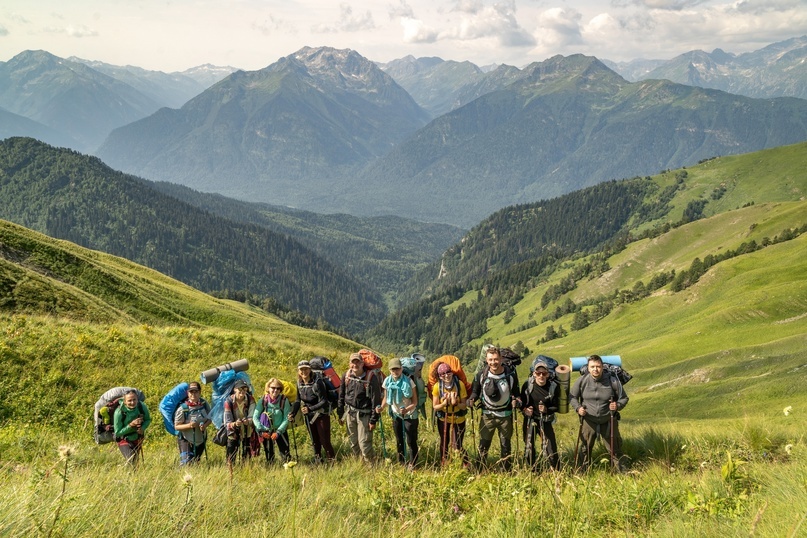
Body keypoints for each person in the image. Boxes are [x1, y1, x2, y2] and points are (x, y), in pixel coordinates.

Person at [569, 354, 629, 472]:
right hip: (588, 420)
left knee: (615, 449)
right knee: (585, 449)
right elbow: (572, 397)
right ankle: (582, 473)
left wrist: (617, 405)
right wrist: (578, 408)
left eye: (598, 366)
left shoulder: (612, 381)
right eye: (592, 367)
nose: (595, 369)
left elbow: (624, 398)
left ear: (602, 367)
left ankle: (623, 474)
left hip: (608, 420)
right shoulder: (582, 381)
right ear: (588, 368)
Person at [468, 346, 521, 471]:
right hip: (487, 415)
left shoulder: (510, 374)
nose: (493, 362)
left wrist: (517, 401)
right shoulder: (481, 374)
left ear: (501, 359)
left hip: (506, 415)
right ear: (486, 360)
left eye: (496, 359)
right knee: (483, 445)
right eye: (490, 360)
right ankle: (479, 469)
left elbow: (517, 393)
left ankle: (506, 471)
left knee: (505, 445)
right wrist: (471, 400)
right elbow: (475, 392)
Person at [337, 352, 382, 462]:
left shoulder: (371, 378)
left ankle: (371, 467)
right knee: (353, 442)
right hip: (349, 413)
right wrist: (340, 414)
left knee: (364, 444)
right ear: (349, 364)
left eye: (358, 362)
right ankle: (359, 465)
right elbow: (341, 396)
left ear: (362, 363)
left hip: (364, 415)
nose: (355, 365)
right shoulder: (346, 376)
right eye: (353, 362)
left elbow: (375, 400)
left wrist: (373, 420)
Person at [291, 360, 336, 463]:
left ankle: (332, 461)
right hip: (309, 416)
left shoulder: (318, 382)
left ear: (310, 369)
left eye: (306, 369)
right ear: (298, 371)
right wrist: (292, 413)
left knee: (325, 441)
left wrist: (310, 409)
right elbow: (298, 400)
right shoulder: (299, 383)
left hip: (321, 415)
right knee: (314, 441)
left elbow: (324, 401)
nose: (304, 372)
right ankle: (318, 460)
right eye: (301, 370)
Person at [520, 358, 560, 471]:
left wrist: (547, 409)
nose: (541, 376)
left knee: (551, 448)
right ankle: (533, 471)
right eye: (538, 373)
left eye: (544, 373)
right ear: (534, 374)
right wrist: (525, 410)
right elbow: (521, 402)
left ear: (548, 374)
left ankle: (556, 471)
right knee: (529, 447)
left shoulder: (553, 387)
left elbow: (557, 406)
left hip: (546, 420)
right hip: (530, 420)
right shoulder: (527, 385)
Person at [382, 358, 419, 468]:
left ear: (401, 368)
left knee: (411, 441)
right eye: (393, 369)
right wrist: (381, 408)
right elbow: (385, 398)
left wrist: (407, 409)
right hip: (396, 414)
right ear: (389, 370)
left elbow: (415, 401)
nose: (395, 372)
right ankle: (402, 463)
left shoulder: (409, 382)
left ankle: (413, 464)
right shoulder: (387, 382)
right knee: (399, 440)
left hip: (410, 415)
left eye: (397, 369)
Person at [432, 362, 468, 465]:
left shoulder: (459, 384)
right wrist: (444, 404)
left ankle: (465, 464)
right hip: (444, 417)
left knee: (458, 444)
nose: (446, 375)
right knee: (444, 442)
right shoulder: (437, 387)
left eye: (448, 372)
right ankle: (444, 463)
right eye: (443, 374)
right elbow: (435, 406)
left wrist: (456, 402)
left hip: (458, 417)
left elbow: (464, 405)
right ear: (439, 376)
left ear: (451, 372)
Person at [253, 379, 292, 463]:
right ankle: (271, 470)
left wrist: (278, 432)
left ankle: (288, 470)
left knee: (286, 455)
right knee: (269, 456)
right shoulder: (263, 400)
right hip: (266, 431)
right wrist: (261, 430)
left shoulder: (284, 401)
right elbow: (255, 416)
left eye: (278, 388)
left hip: (280, 431)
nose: (275, 390)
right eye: (273, 387)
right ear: (268, 388)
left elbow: (286, 418)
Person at [173, 381, 212, 465]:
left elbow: (210, 418)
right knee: (186, 463)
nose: (193, 394)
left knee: (196, 462)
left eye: (196, 391)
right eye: (191, 392)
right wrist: (189, 425)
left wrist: (205, 425)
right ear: (188, 393)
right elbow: (176, 426)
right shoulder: (183, 408)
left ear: (200, 392)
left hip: (201, 439)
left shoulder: (204, 404)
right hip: (186, 439)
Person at [223, 379, 259, 464]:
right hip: (233, 430)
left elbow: (253, 415)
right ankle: (230, 469)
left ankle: (246, 469)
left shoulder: (250, 399)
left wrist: (248, 421)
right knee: (231, 453)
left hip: (247, 429)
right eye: (240, 389)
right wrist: (235, 424)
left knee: (247, 453)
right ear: (235, 389)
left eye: (245, 389)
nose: (242, 391)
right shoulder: (228, 401)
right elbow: (227, 422)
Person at [113, 389, 151, 466]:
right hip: (124, 439)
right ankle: (128, 475)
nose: (132, 402)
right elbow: (117, 433)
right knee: (131, 460)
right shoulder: (119, 412)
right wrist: (130, 425)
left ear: (137, 399)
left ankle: (133, 477)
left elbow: (148, 419)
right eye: (129, 400)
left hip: (137, 438)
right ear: (124, 401)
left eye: (134, 400)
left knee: (135, 462)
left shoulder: (141, 406)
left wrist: (142, 428)